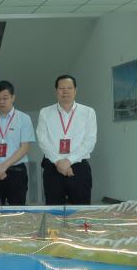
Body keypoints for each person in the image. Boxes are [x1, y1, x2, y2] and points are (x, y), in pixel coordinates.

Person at [36, 75, 97, 205]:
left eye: (69, 88)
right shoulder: (45, 112)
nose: (65, 91)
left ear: (75, 90)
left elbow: (90, 141)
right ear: (56, 91)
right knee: (53, 210)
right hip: (53, 166)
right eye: (61, 88)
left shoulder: (88, 112)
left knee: (81, 211)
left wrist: (68, 161)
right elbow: (42, 140)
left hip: (78, 168)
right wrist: (58, 162)